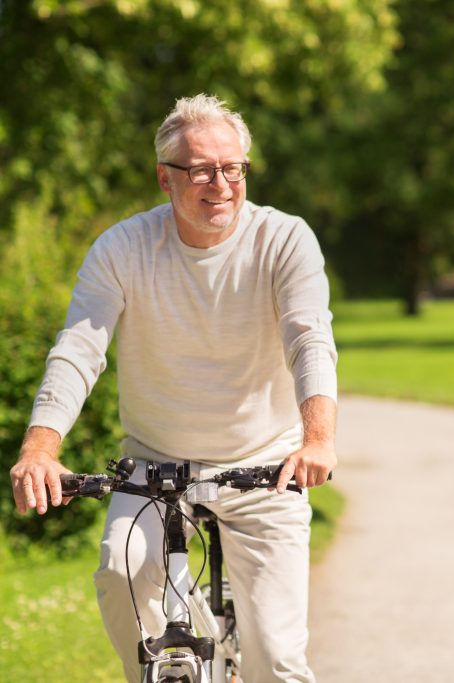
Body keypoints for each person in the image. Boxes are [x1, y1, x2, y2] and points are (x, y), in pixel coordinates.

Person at [8, 94, 338, 682]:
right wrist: (40, 448)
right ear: (165, 177)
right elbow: (80, 349)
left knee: (278, 660)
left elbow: (309, 339)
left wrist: (317, 438)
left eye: (233, 167)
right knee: (120, 574)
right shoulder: (123, 248)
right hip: (154, 468)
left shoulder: (284, 240)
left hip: (264, 471)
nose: (221, 183)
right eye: (202, 169)